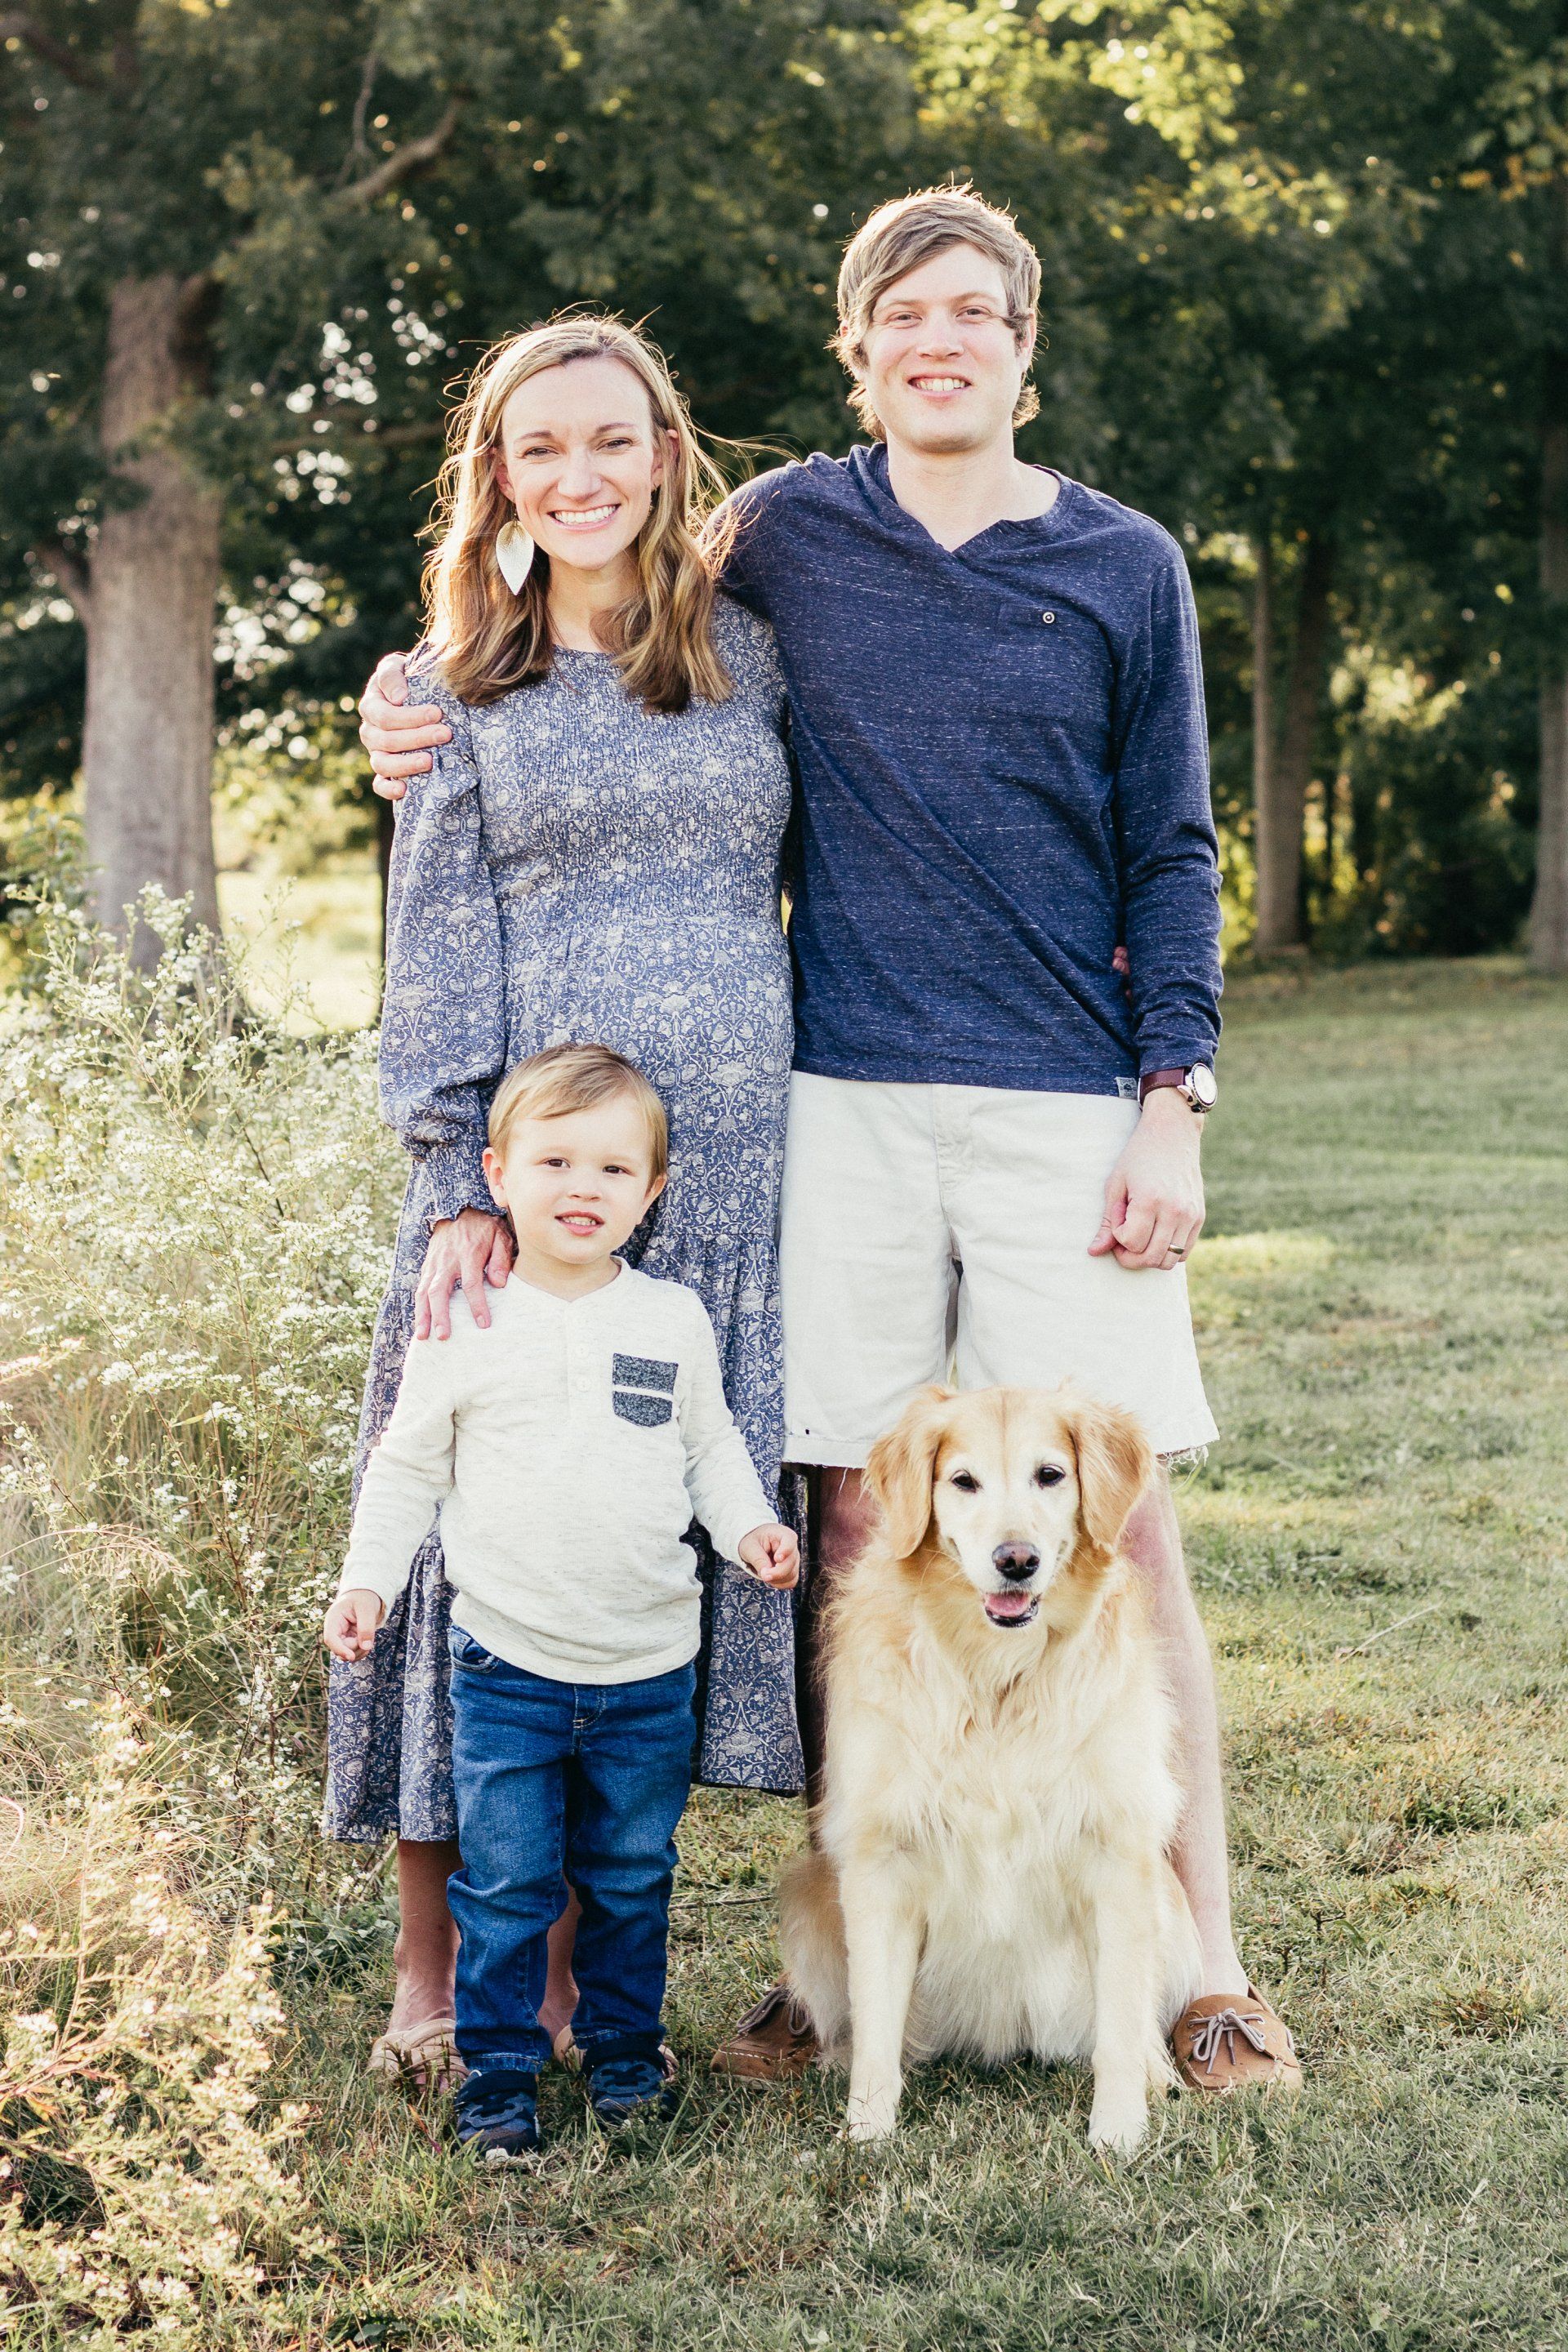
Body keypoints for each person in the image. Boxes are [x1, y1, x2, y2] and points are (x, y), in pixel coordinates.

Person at [358, 186, 1302, 2098]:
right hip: (843, 1103)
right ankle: (845, 1953)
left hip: (1059, 1098)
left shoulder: (1127, 566)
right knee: (856, 1518)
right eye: (903, 319)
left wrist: (1172, 1100)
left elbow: (1175, 850)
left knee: (1125, 1527)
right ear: (855, 354)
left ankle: (1201, 1971)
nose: (939, 343)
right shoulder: (783, 536)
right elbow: (573, 573)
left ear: (1026, 346)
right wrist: (399, 697)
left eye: (975, 315)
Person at [324, 313, 801, 2092]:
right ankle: (438, 1975)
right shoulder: (454, 690)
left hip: (725, 1181)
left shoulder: (752, 658)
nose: (580, 476)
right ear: (500, 478)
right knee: (474, 1533)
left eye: (613, 440)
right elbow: (433, 944)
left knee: (636, 1540)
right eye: (541, 450)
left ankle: (591, 1973)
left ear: (668, 455)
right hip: (520, 1189)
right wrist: (457, 1177)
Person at [325, 1046, 800, 2160]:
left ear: (653, 1192)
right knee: (507, 1886)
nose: (582, 1187)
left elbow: (711, 1453)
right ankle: (498, 2078)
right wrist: (367, 1582)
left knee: (633, 1878)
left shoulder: (671, 1319)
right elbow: (405, 1470)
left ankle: (624, 2054)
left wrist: (752, 1529)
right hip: (510, 1669)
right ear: (495, 1173)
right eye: (553, 1161)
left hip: (647, 1668)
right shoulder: (469, 1320)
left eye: (613, 1169)